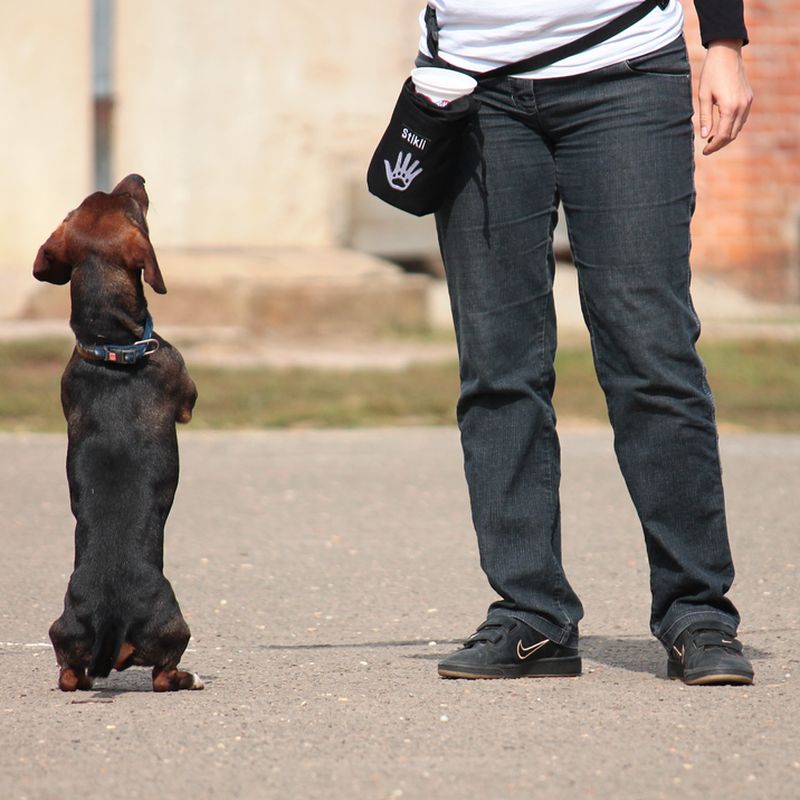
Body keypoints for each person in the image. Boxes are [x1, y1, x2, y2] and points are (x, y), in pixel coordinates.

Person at [416, 0, 755, 685]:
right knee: (496, 363)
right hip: (468, 86)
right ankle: (531, 616)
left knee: (649, 352)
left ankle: (698, 611)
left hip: (623, 70)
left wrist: (724, 41)